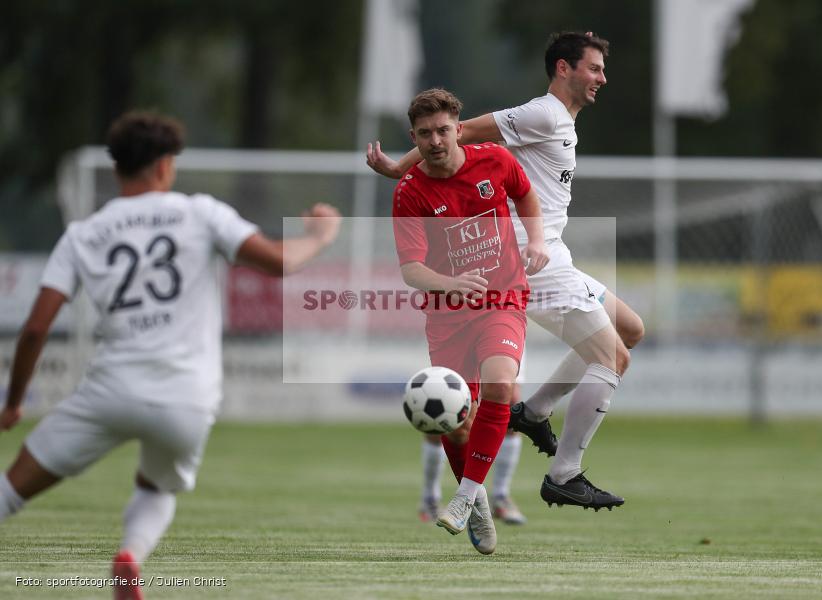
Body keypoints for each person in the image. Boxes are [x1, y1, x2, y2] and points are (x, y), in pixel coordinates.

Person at [0, 111, 341, 600]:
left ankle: (126, 555)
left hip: (110, 391)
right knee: (157, 488)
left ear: (116, 168)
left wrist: (14, 403)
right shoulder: (199, 212)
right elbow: (280, 262)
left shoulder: (83, 234)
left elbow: (35, 328)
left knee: (10, 491)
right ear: (165, 165)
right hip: (187, 398)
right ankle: (130, 556)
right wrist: (320, 237)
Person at [369, 31, 644, 512]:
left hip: (551, 253)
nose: (602, 77)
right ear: (564, 68)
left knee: (631, 329)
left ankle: (533, 411)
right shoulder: (542, 113)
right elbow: (461, 131)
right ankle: (565, 473)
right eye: (594, 68)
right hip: (530, 261)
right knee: (613, 359)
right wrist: (399, 169)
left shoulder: (561, 121)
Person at [392, 88, 548, 554]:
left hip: (503, 297)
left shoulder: (494, 161)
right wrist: (450, 282)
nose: (436, 140)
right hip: (447, 314)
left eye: (443, 130)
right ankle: (477, 499)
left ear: (458, 128)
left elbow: (526, 195)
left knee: (502, 385)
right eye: (425, 134)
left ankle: (462, 498)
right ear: (414, 137)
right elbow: (410, 269)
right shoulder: (410, 191)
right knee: (454, 425)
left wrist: (536, 241)